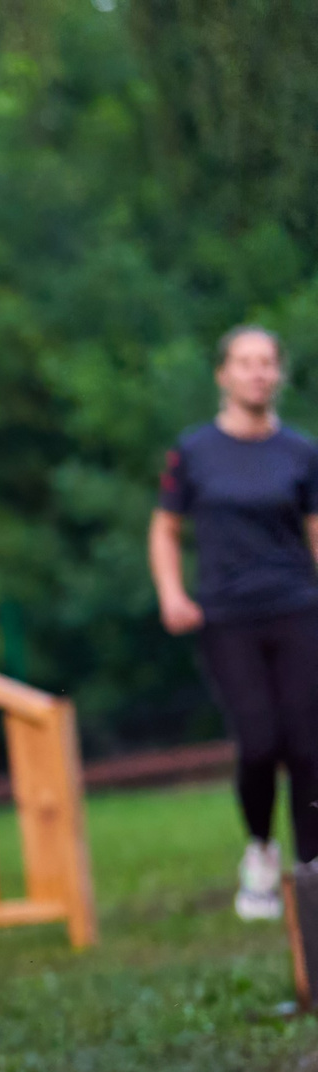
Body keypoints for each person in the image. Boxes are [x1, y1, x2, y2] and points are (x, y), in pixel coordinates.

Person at [151, 324, 318, 921]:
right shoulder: (195, 452)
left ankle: (311, 867)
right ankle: (261, 850)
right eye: (245, 362)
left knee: (308, 743)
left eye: (267, 362)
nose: (257, 373)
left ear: (279, 374)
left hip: (296, 606)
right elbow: (165, 528)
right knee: (260, 741)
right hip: (227, 615)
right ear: (224, 374)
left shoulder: (300, 452)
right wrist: (172, 594)